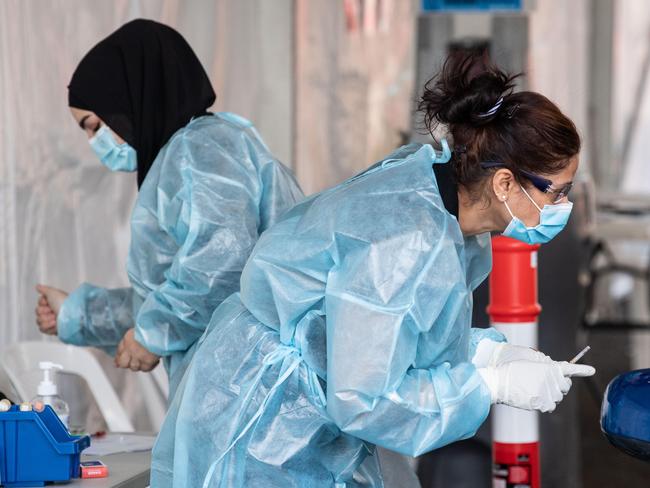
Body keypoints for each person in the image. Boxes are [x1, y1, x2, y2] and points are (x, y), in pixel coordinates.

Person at [152, 54, 595, 487]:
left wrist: (487, 353)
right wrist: (489, 383)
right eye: (557, 191)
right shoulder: (404, 239)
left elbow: (393, 331)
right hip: (267, 424)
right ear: (503, 183)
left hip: (310, 412)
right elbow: (365, 398)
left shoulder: (444, 206)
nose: (563, 207)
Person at [34, 19, 303, 398]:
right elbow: (172, 291)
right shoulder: (186, 158)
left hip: (255, 393)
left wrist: (153, 335)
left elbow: (221, 264)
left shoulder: (200, 152)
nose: (94, 143)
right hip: (241, 384)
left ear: (129, 98)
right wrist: (77, 314)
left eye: (94, 126)